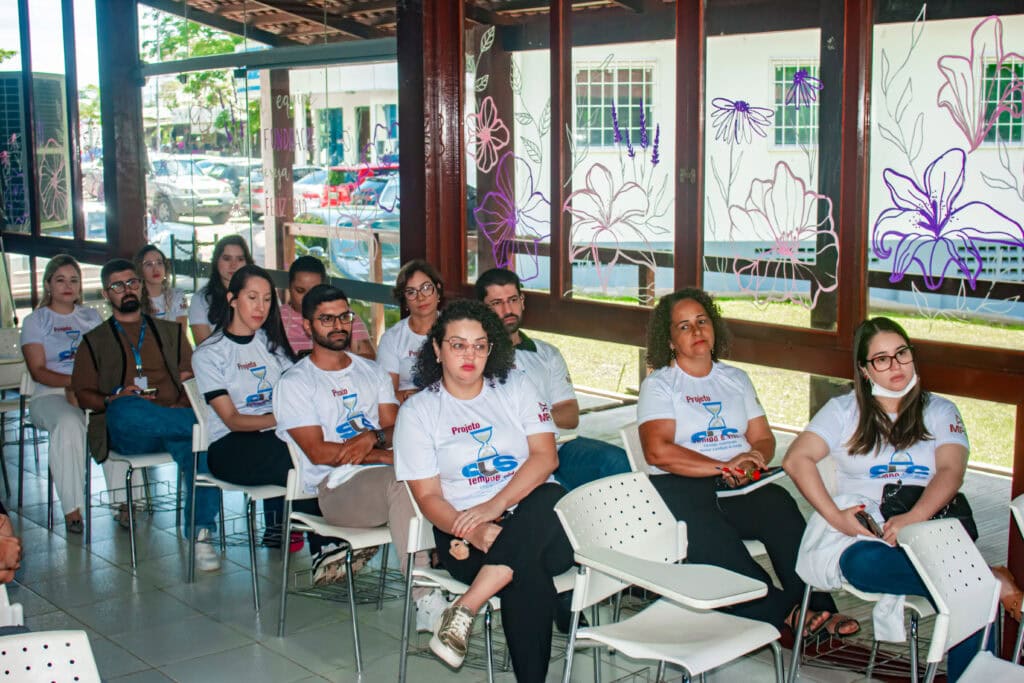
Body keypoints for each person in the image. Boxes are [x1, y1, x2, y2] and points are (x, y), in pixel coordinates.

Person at [637, 288, 857, 638]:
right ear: (670, 339)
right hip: (680, 485)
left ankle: (818, 606)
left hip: (738, 482)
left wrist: (754, 460)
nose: (696, 331)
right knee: (711, 537)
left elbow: (763, 437)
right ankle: (783, 611)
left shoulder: (735, 378)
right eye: (684, 326)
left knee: (779, 505)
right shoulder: (660, 384)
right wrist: (724, 467)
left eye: (702, 321)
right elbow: (658, 452)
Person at [783, 317, 982, 680]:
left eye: (902, 353)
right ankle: (979, 578)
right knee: (866, 564)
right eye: (881, 359)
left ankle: (973, 584)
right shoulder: (844, 411)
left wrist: (914, 517)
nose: (895, 365)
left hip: (927, 527)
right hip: (869, 535)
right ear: (864, 369)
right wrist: (837, 518)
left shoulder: (940, 410)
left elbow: (951, 471)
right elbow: (796, 459)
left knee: (967, 590)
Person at [394, 299, 573, 680]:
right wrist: (473, 529)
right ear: (437, 349)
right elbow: (428, 498)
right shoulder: (418, 412)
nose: (470, 355)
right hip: (464, 534)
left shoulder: (515, 386)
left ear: (491, 349)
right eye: (458, 344)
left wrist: (495, 506)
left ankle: (465, 607)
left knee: (550, 497)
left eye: (479, 345)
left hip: (538, 519)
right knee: (527, 570)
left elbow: (546, 458)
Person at [273, 284, 431, 600]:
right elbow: (319, 452)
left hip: (377, 475)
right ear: (307, 326)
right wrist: (382, 455)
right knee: (402, 481)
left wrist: (373, 438)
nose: (338, 326)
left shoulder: (371, 372)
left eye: (344, 317)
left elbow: (394, 426)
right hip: (334, 488)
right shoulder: (295, 383)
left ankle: (454, 570)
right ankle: (426, 597)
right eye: (327, 319)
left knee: (440, 471)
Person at [71, 259, 222, 571]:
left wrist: (182, 400)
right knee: (126, 408)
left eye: (132, 282)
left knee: (200, 447)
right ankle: (214, 426)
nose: (127, 289)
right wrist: (112, 398)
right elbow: (82, 393)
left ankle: (201, 533)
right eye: (117, 285)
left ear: (140, 287)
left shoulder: (170, 332)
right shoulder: (93, 341)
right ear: (106, 293)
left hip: (174, 418)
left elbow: (193, 375)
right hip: (131, 429)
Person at [475, 268, 630, 489]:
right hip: (508, 454)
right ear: (483, 309)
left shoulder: (547, 353)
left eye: (513, 300)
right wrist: (539, 417)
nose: (508, 310)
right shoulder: (475, 356)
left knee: (616, 461)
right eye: (497, 303)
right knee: (552, 489)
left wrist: (525, 418)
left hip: (558, 445)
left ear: (523, 301)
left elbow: (569, 416)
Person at [193, 264, 309, 552]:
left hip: (276, 436)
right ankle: (327, 541)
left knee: (316, 451)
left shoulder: (270, 343)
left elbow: (299, 389)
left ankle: (327, 545)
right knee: (306, 457)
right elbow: (232, 420)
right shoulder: (210, 353)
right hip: (229, 447)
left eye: (267, 299)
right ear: (232, 299)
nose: (261, 307)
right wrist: (282, 419)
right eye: (252, 298)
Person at [20, 254, 129, 534]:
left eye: (74, 280)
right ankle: (73, 509)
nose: (68, 286)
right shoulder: (35, 321)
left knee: (115, 419)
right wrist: (75, 384)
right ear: (48, 285)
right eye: (60, 280)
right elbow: (38, 371)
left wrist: (90, 386)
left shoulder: (90, 317)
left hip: (89, 390)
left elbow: (106, 359)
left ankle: (124, 502)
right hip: (50, 395)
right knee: (69, 424)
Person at [280, 256, 376, 360]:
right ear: (289, 288)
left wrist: (333, 364)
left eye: (314, 291)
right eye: (300, 290)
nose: (307, 298)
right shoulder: (276, 318)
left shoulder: (343, 315)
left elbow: (368, 358)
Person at [377, 260, 443, 403]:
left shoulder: (456, 328)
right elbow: (386, 397)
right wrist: (416, 398)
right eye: (411, 292)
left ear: (438, 290)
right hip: (407, 409)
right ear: (404, 300)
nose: (421, 297)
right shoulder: (392, 339)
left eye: (426, 288)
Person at [189, 235, 252, 345]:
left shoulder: (263, 295)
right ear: (216, 261)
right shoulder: (200, 300)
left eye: (240, 259)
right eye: (227, 258)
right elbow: (204, 348)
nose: (233, 265)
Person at [135, 245, 188, 327]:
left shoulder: (177, 295)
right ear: (140, 270)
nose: (155, 269)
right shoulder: (135, 299)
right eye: (149, 264)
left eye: (159, 263)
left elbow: (181, 332)